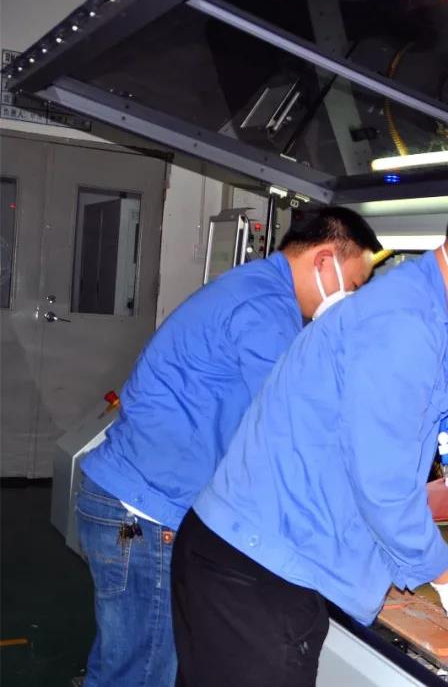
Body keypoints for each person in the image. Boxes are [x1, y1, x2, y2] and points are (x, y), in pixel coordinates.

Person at [171, 166, 448, 686]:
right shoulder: (399, 325)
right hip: (253, 573)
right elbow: (382, 484)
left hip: (256, 561)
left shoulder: (428, 315)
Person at [75, 208, 381, 687]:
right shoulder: (266, 310)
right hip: (145, 515)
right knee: (142, 673)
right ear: (325, 261)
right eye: (355, 285)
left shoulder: (255, 289)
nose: (353, 300)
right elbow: (298, 425)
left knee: (129, 665)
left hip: (134, 501)